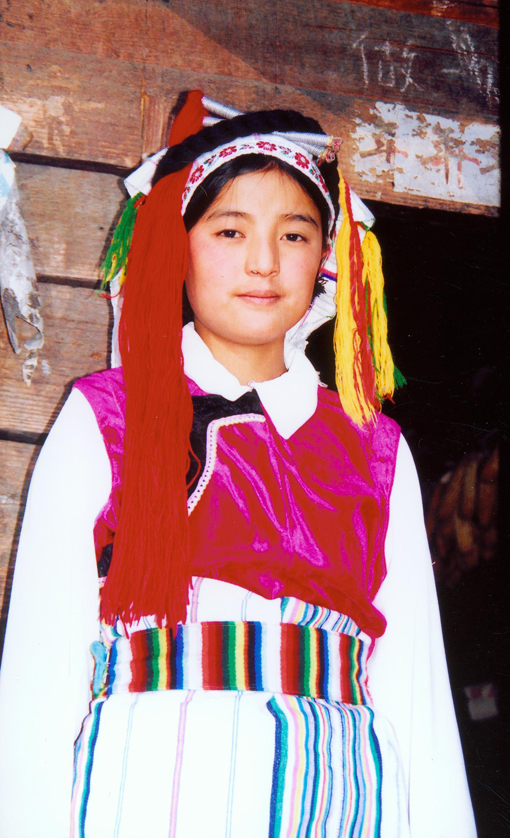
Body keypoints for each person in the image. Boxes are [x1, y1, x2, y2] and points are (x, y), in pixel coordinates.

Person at [0, 91, 476, 838]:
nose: (264, 262)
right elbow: (41, 672)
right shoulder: (108, 419)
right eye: (230, 230)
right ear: (178, 245)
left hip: (339, 803)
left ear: (327, 257)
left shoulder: (374, 449)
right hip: (144, 801)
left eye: (295, 234)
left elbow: (415, 691)